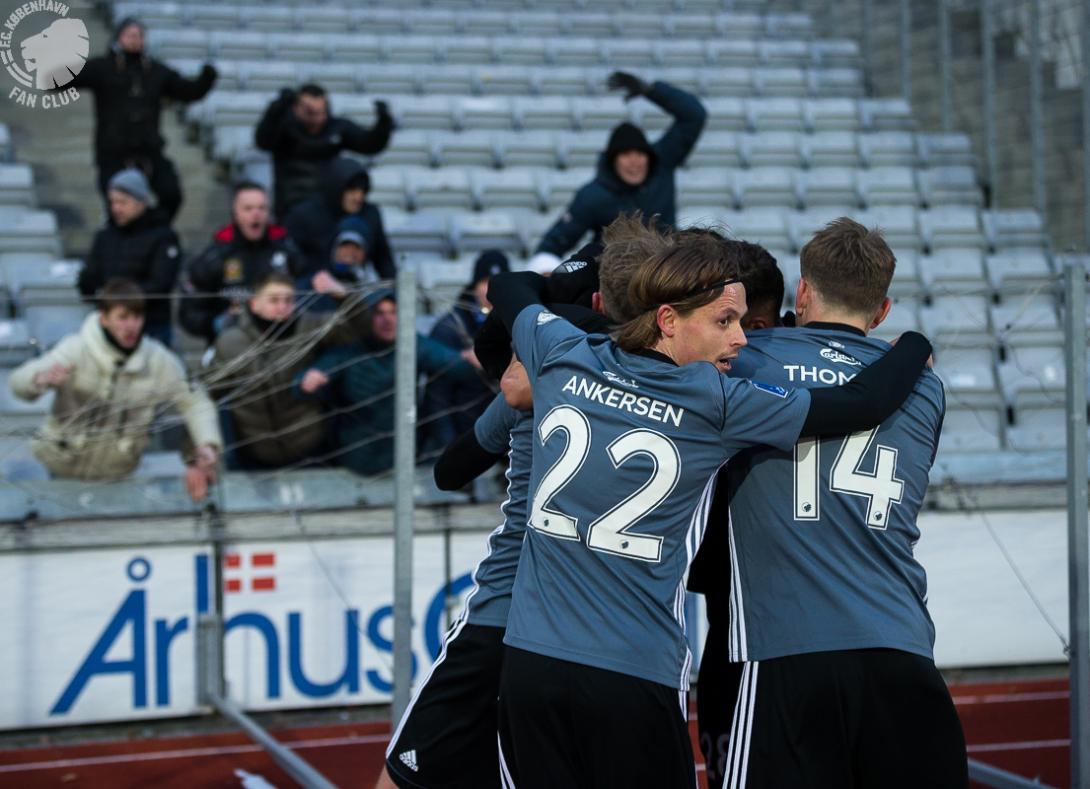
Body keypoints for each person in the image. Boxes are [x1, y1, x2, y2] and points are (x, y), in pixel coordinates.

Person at [484, 228, 933, 788]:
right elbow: (860, 403)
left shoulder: (562, 351)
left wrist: (579, 293)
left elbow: (508, 287)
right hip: (632, 668)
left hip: (529, 664)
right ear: (668, 319)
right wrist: (914, 346)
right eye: (725, 321)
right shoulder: (714, 402)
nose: (742, 339)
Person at [710, 219, 967, 789]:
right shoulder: (924, 386)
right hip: (901, 648)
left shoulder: (744, 360)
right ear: (882, 310)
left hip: (786, 651)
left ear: (802, 292)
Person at [378, 248, 609, 789]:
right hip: (596, 628)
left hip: (505, 613)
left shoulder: (534, 378)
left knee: (406, 777)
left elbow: (450, 469)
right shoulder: (657, 380)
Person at [8, 279, 220, 501]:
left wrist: (206, 443)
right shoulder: (76, 348)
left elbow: (195, 402)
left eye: (137, 317)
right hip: (59, 467)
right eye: (123, 317)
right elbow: (18, 383)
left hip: (118, 473)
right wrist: (39, 379)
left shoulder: (158, 360)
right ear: (104, 317)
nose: (131, 326)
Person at [294, 289, 480, 477]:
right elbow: (307, 379)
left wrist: (471, 360)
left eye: (393, 312)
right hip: (354, 451)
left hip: (404, 449)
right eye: (379, 313)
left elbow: (454, 365)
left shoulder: (414, 344)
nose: (388, 320)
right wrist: (307, 381)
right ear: (368, 318)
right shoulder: (351, 349)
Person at [205, 271, 368, 470]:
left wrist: (343, 295)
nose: (282, 307)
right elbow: (209, 394)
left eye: (289, 300)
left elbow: (360, 330)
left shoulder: (311, 326)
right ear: (254, 304)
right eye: (274, 300)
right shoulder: (231, 341)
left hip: (310, 446)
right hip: (253, 452)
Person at [534, 71, 706, 258]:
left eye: (640, 153)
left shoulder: (662, 164)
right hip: (616, 272)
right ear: (612, 160)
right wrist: (545, 265)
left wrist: (652, 91)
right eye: (625, 154)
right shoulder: (592, 196)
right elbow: (553, 244)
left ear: (649, 157)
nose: (634, 162)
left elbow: (694, 115)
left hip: (665, 268)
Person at [66, 17, 217, 222]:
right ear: (118, 37)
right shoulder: (102, 68)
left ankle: (151, 228)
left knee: (171, 194)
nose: (135, 39)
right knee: (116, 204)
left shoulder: (156, 71)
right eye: (130, 35)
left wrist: (207, 78)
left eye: (139, 35)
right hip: (112, 151)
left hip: (149, 151)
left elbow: (188, 91)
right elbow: (66, 78)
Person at [179, 182, 305, 344]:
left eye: (262, 208)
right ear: (235, 213)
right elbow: (190, 310)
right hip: (230, 346)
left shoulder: (286, 250)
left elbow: (307, 293)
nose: (256, 214)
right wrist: (214, 324)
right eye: (248, 208)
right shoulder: (216, 256)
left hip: (283, 343)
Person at [255, 83, 394, 218]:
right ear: (296, 108)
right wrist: (276, 109)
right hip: (291, 206)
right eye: (311, 112)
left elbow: (369, 145)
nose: (319, 118)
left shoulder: (337, 127)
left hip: (328, 207)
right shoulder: (284, 128)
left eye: (322, 111)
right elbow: (263, 141)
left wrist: (383, 124)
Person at [78, 168, 181, 346]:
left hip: (152, 327)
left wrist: (117, 300)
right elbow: (89, 278)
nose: (116, 208)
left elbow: (161, 284)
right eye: (113, 202)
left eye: (123, 202)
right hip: (108, 327)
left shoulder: (163, 237)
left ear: (141, 202)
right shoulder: (105, 236)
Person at [422, 250, 509, 452]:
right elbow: (437, 395)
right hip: (463, 438)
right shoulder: (450, 327)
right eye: (485, 282)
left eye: (498, 282)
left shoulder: (517, 322)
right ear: (474, 285)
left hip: (506, 442)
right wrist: (451, 449)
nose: (491, 290)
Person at [284, 157, 396, 278]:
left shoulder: (369, 215)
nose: (358, 197)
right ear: (336, 187)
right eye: (352, 190)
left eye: (363, 191)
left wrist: (392, 288)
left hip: (357, 284)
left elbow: (384, 261)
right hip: (312, 284)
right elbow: (288, 255)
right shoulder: (304, 215)